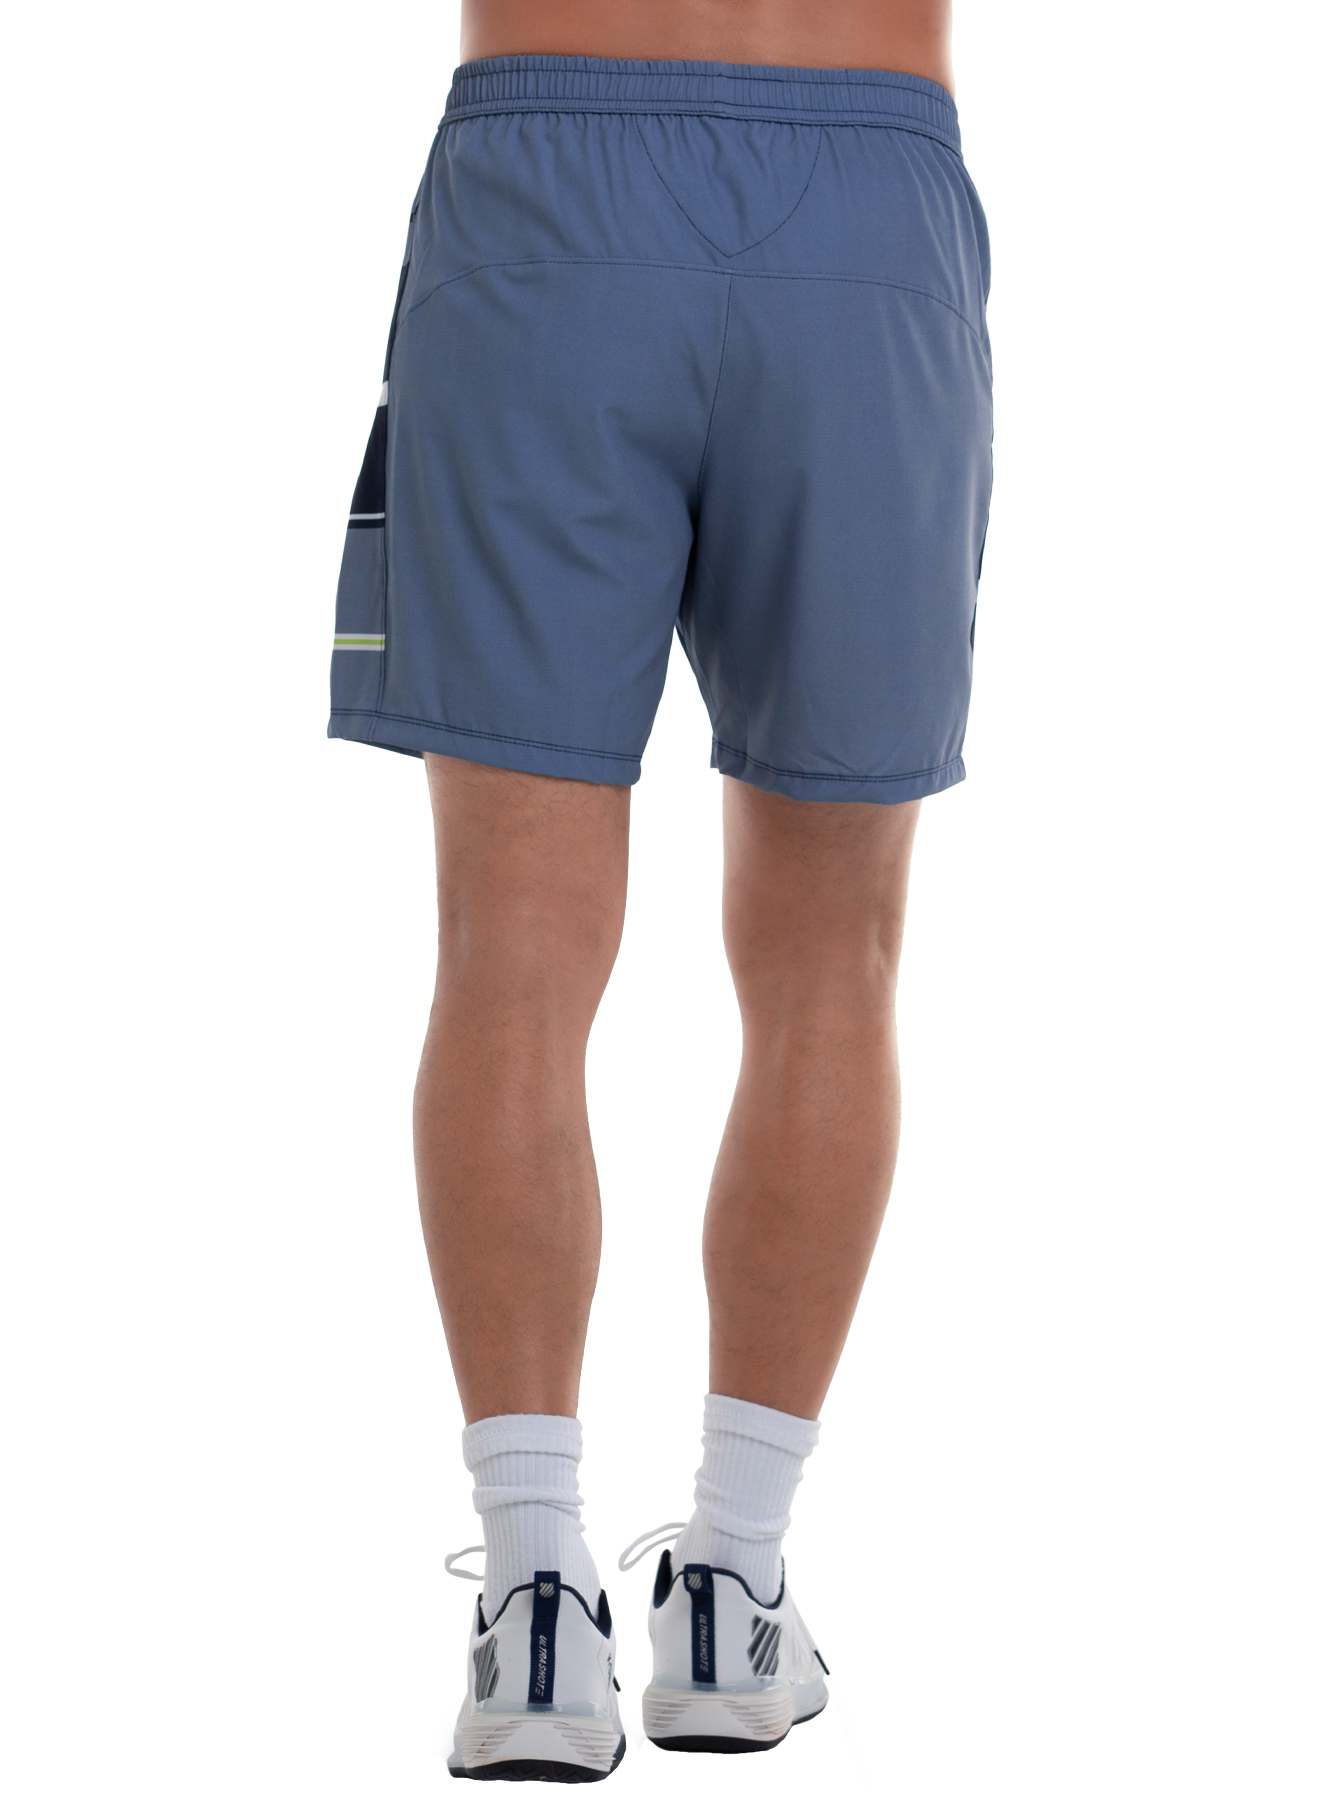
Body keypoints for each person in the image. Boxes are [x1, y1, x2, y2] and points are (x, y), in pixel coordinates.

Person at [328, 0, 991, 1782]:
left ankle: (537, 1618)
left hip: (548, 189)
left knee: (512, 946)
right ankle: (730, 1599)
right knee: (835, 954)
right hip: (865, 200)